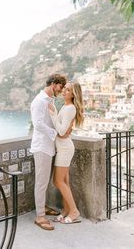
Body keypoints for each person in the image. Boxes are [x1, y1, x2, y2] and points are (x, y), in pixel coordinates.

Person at [30, 73, 72, 231]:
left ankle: (43, 207)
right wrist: (57, 134)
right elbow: (38, 124)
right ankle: (40, 216)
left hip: (49, 147)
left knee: (45, 181)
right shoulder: (40, 101)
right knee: (41, 183)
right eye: (60, 87)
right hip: (41, 147)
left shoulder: (49, 101)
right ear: (54, 84)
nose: (61, 91)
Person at [48, 81, 84, 224]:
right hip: (63, 147)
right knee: (65, 182)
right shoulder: (66, 106)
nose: (64, 91)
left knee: (57, 181)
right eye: (65, 89)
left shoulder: (69, 108)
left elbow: (62, 131)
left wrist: (53, 114)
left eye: (68, 90)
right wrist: (57, 116)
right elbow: (63, 130)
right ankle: (66, 210)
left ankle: (74, 211)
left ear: (73, 94)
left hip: (64, 149)